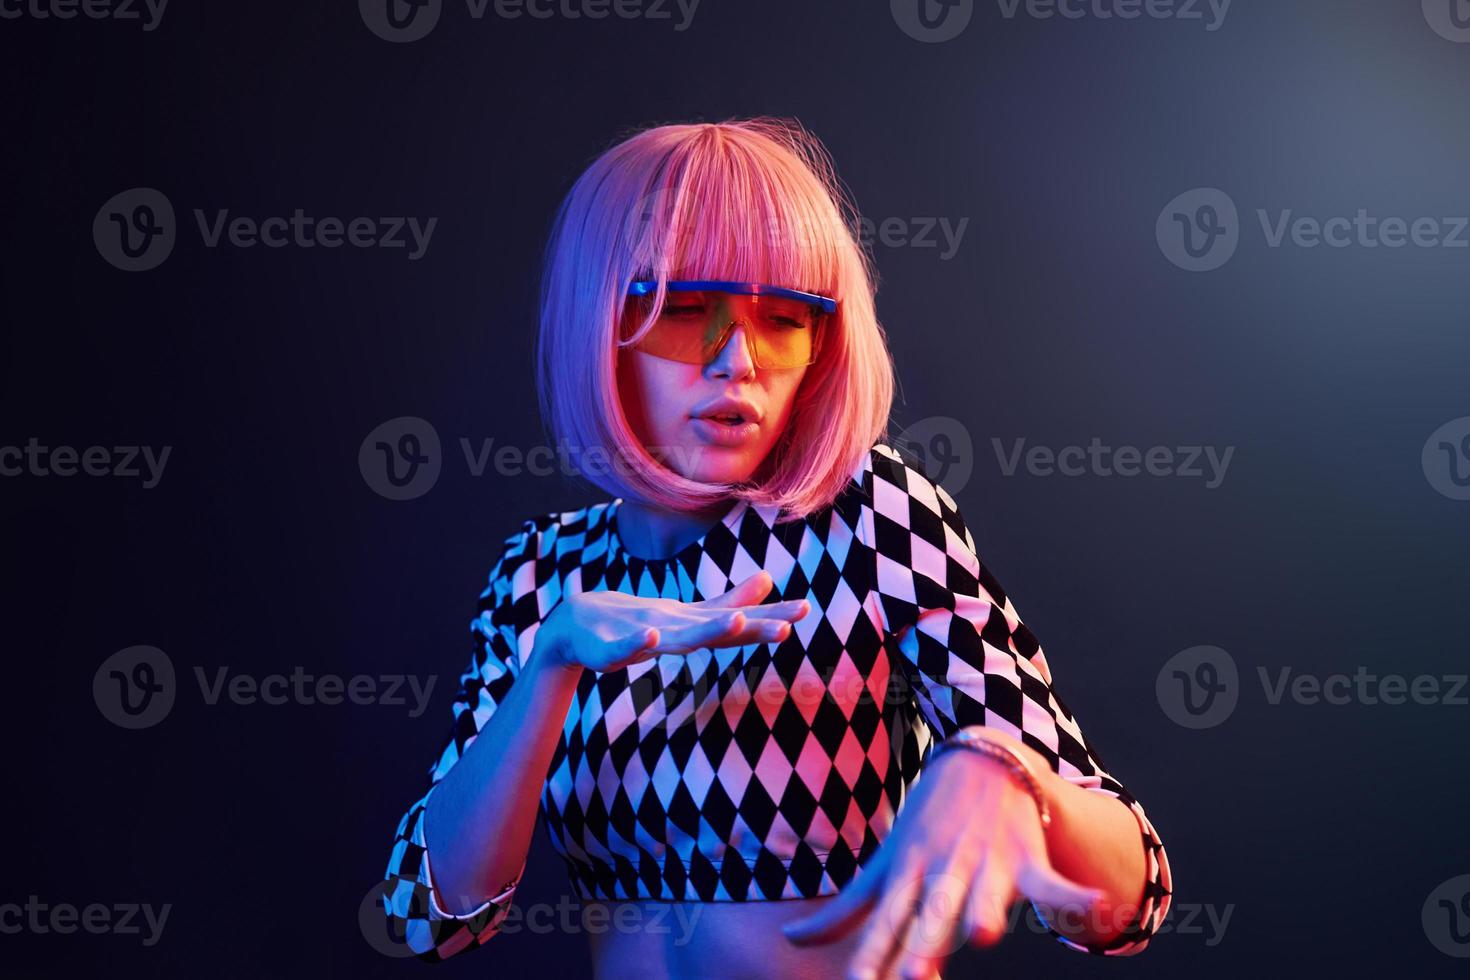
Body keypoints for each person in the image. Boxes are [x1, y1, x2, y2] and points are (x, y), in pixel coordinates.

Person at [379, 116, 1173, 978]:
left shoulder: (871, 521)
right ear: (597, 320)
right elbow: (428, 919)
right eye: (684, 310)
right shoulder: (541, 577)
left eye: (787, 317)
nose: (738, 360)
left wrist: (1009, 774)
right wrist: (551, 666)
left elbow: (1132, 897)